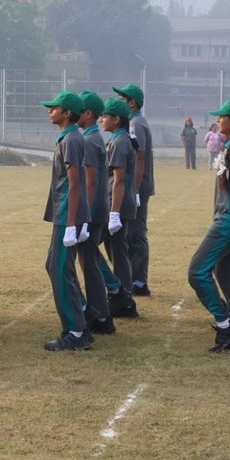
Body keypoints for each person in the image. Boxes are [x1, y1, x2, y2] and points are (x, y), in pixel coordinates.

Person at [189, 97, 230, 352]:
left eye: (222, 116)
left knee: (197, 271)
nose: (218, 120)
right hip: (225, 218)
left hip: (228, 222)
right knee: (226, 275)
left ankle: (225, 323)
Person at [41, 90, 91, 351]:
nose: (50, 111)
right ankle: (79, 320)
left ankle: (75, 331)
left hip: (67, 214)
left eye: (55, 108)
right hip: (65, 213)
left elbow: (75, 184)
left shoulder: (71, 139)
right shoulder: (68, 137)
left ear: (67, 113)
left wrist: (72, 223)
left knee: (60, 269)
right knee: (54, 265)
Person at [77, 91, 116, 336]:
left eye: (79, 111)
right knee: (89, 260)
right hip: (97, 209)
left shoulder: (90, 141)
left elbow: (90, 182)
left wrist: (85, 215)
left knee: (89, 263)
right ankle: (101, 313)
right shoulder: (91, 138)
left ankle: (99, 314)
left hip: (92, 211)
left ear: (88, 114)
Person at [99, 97, 139, 320]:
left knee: (89, 246)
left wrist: (114, 212)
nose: (101, 119)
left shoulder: (120, 142)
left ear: (116, 119)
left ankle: (119, 292)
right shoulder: (119, 139)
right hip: (120, 203)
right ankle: (125, 298)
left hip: (117, 204)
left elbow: (119, 179)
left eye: (105, 116)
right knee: (118, 251)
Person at [113, 82, 153, 296]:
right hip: (132, 187)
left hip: (137, 187)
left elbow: (140, 158)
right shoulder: (134, 122)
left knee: (136, 234)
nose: (119, 101)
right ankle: (131, 277)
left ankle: (139, 281)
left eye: (122, 99)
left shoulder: (136, 124)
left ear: (132, 103)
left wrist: (135, 190)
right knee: (130, 234)